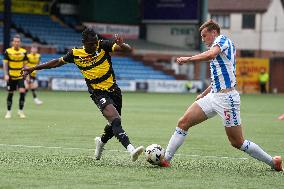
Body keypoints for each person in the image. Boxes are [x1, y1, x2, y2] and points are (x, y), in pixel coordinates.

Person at [159, 20, 282, 171]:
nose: (203, 39)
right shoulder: (218, 52)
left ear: (214, 32)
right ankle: (166, 159)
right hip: (213, 97)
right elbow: (218, 79)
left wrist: (189, 59)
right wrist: (203, 94)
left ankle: (273, 162)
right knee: (183, 122)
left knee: (237, 142)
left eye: (205, 36)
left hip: (227, 99)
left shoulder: (222, 40)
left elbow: (211, 54)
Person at [22, 28, 144, 161]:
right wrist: (33, 68)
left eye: (95, 42)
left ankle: (100, 143)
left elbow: (128, 50)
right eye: (91, 44)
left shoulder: (102, 45)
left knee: (113, 124)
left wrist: (121, 45)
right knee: (115, 119)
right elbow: (57, 62)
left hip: (114, 91)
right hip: (98, 93)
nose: (94, 46)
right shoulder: (75, 54)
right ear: (84, 43)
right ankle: (131, 149)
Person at [3, 34, 28, 119]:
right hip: (11, 76)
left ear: (20, 43)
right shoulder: (8, 51)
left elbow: (25, 64)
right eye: (15, 41)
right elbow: (5, 64)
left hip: (20, 76)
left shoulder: (24, 51)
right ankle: (8, 112)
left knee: (22, 91)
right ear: (12, 42)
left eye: (18, 41)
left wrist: (26, 74)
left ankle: (20, 111)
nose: (16, 43)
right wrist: (6, 74)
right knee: (10, 93)